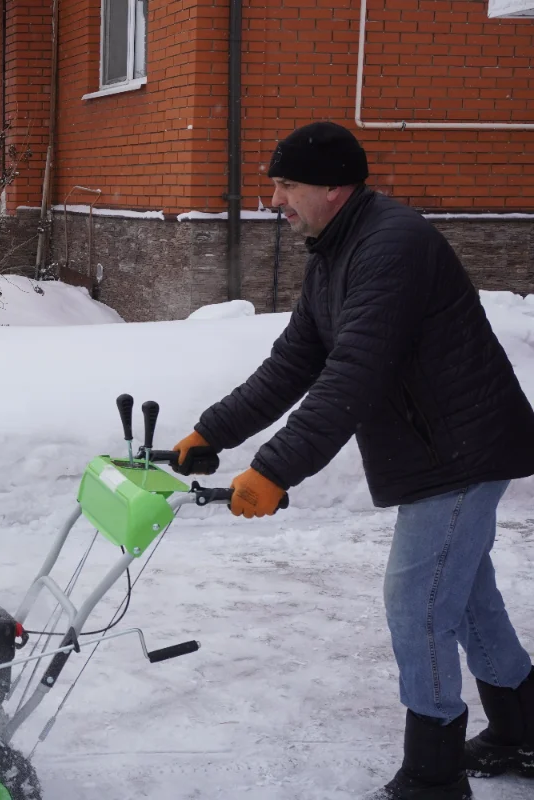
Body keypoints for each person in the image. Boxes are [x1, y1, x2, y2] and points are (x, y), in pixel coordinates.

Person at [171, 121, 534, 800]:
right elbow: (296, 362)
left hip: (460, 450)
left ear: (334, 186)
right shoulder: (336, 249)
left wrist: (275, 468)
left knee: (418, 603)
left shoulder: (391, 246)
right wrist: (212, 433)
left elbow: (354, 373)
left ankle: (434, 775)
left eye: (287, 185)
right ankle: (522, 730)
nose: (274, 200)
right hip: (441, 446)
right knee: (467, 598)